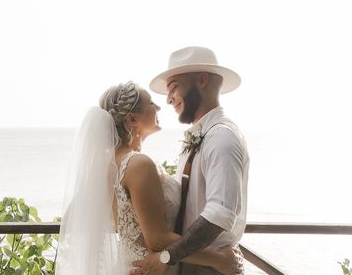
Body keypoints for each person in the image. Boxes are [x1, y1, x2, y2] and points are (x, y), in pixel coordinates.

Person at [55, 81, 238, 275]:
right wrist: (218, 259)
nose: (159, 107)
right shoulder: (138, 164)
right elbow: (156, 239)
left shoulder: (108, 166)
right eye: (151, 103)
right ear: (133, 119)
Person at [132, 46, 249, 275]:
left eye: (173, 88)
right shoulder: (201, 136)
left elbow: (219, 215)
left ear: (202, 80)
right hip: (190, 266)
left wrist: (167, 256)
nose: (168, 100)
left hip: (212, 270)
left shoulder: (222, 137)